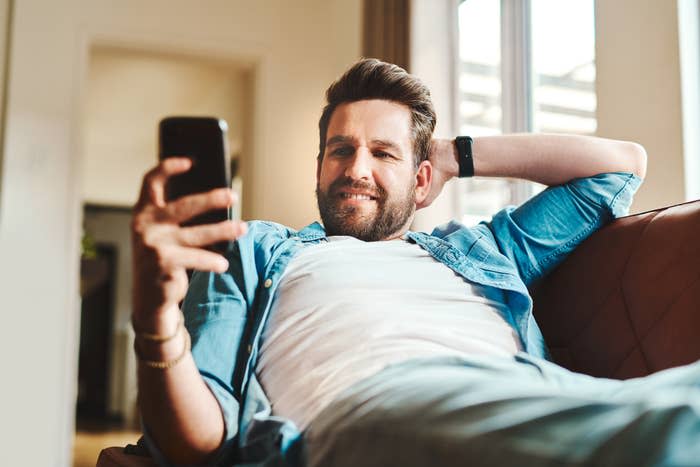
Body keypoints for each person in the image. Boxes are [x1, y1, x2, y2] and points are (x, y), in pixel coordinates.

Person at [130, 59, 699, 467]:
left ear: (422, 177)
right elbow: (201, 440)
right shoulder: (252, 247)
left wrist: (453, 154)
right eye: (340, 149)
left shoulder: (483, 249)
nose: (356, 168)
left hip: (539, 394)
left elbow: (621, 167)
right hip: (371, 412)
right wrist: (156, 319)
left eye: (384, 153)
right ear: (319, 166)